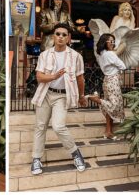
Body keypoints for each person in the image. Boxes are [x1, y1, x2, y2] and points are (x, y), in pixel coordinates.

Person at [30, 22, 87, 177]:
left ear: (68, 38)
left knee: (58, 126)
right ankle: (36, 158)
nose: (60, 37)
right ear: (53, 37)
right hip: (46, 93)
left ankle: (76, 153)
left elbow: (80, 78)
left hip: (62, 96)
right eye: (57, 34)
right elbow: (39, 77)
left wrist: (82, 96)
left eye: (64, 35)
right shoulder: (45, 55)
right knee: (40, 126)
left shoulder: (76, 57)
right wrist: (54, 76)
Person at [88, 33, 126, 138]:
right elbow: (123, 66)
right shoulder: (110, 54)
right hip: (113, 81)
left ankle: (108, 131)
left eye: (113, 41)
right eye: (111, 41)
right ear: (105, 42)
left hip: (106, 81)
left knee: (109, 106)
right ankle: (96, 99)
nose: (113, 43)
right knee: (114, 105)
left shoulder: (101, 54)